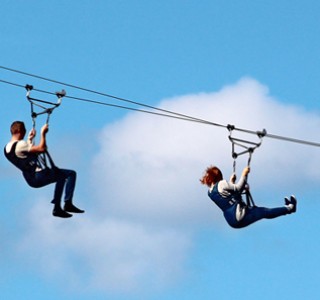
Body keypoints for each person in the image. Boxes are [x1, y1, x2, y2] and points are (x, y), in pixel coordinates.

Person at [4, 121, 84, 218]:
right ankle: (65, 204)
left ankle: (59, 207)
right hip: (39, 175)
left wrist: (30, 140)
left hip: (30, 180)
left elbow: (25, 156)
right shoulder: (20, 144)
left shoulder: (6, 148)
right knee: (71, 174)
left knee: (60, 177)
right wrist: (43, 133)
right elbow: (41, 149)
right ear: (21, 131)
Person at [200, 165, 297, 228]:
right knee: (264, 212)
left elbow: (227, 196)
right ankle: (290, 208)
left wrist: (231, 181)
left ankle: (287, 208)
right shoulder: (222, 183)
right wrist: (244, 174)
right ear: (218, 177)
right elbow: (238, 188)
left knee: (261, 211)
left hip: (231, 220)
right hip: (239, 215)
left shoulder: (210, 192)